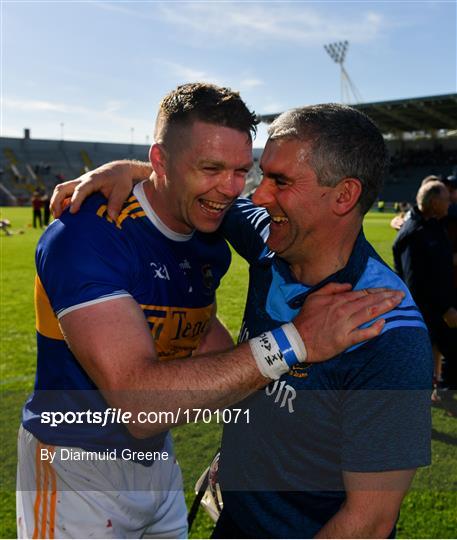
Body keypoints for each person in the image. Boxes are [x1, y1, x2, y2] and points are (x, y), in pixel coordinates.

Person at [18, 85, 401, 540]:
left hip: (158, 464)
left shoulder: (212, 230)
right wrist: (295, 341)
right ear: (161, 161)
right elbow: (138, 407)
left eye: (242, 170)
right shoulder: (85, 235)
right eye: (211, 168)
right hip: (75, 467)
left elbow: (199, 337)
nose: (234, 190)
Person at [393, 180, 457, 393]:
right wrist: (444, 309)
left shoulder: (434, 225)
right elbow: (416, 284)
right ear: (435, 203)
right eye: (446, 200)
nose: (450, 203)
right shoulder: (414, 234)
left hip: (440, 310)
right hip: (427, 314)